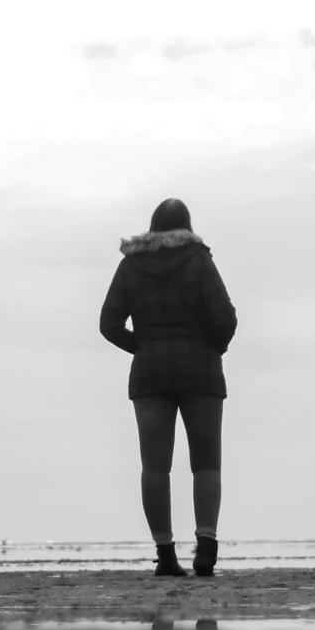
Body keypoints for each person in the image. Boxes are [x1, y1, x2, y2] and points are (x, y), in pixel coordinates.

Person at [98, 198, 237, 577]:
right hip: (202, 373)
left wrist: (143, 347)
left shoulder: (131, 266)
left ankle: (165, 554)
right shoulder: (198, 259)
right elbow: (225, 317)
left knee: (155, 467)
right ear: (187, 227)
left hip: (150, 375)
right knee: (206, 464)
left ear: (152, 229)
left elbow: (109, 324)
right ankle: (206, 546)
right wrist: (213, 347)